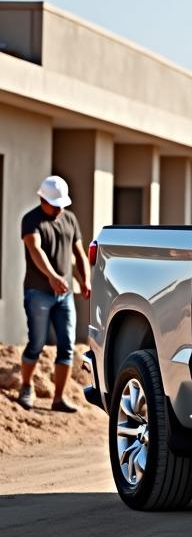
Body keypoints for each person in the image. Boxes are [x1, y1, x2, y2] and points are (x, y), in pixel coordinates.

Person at [18, 175, 91, 413]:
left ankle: (58, 399)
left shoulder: (69, 218)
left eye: (61, 204)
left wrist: (85, 279)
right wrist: (51, 276)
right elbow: (35, 249)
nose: (59, 208)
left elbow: (79, 252)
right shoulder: (31, 221)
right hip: (37, 293)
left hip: (65, 295)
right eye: (54, 204)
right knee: (36, 343)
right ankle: (26, 387)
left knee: (67, 346)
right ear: (42, 198)